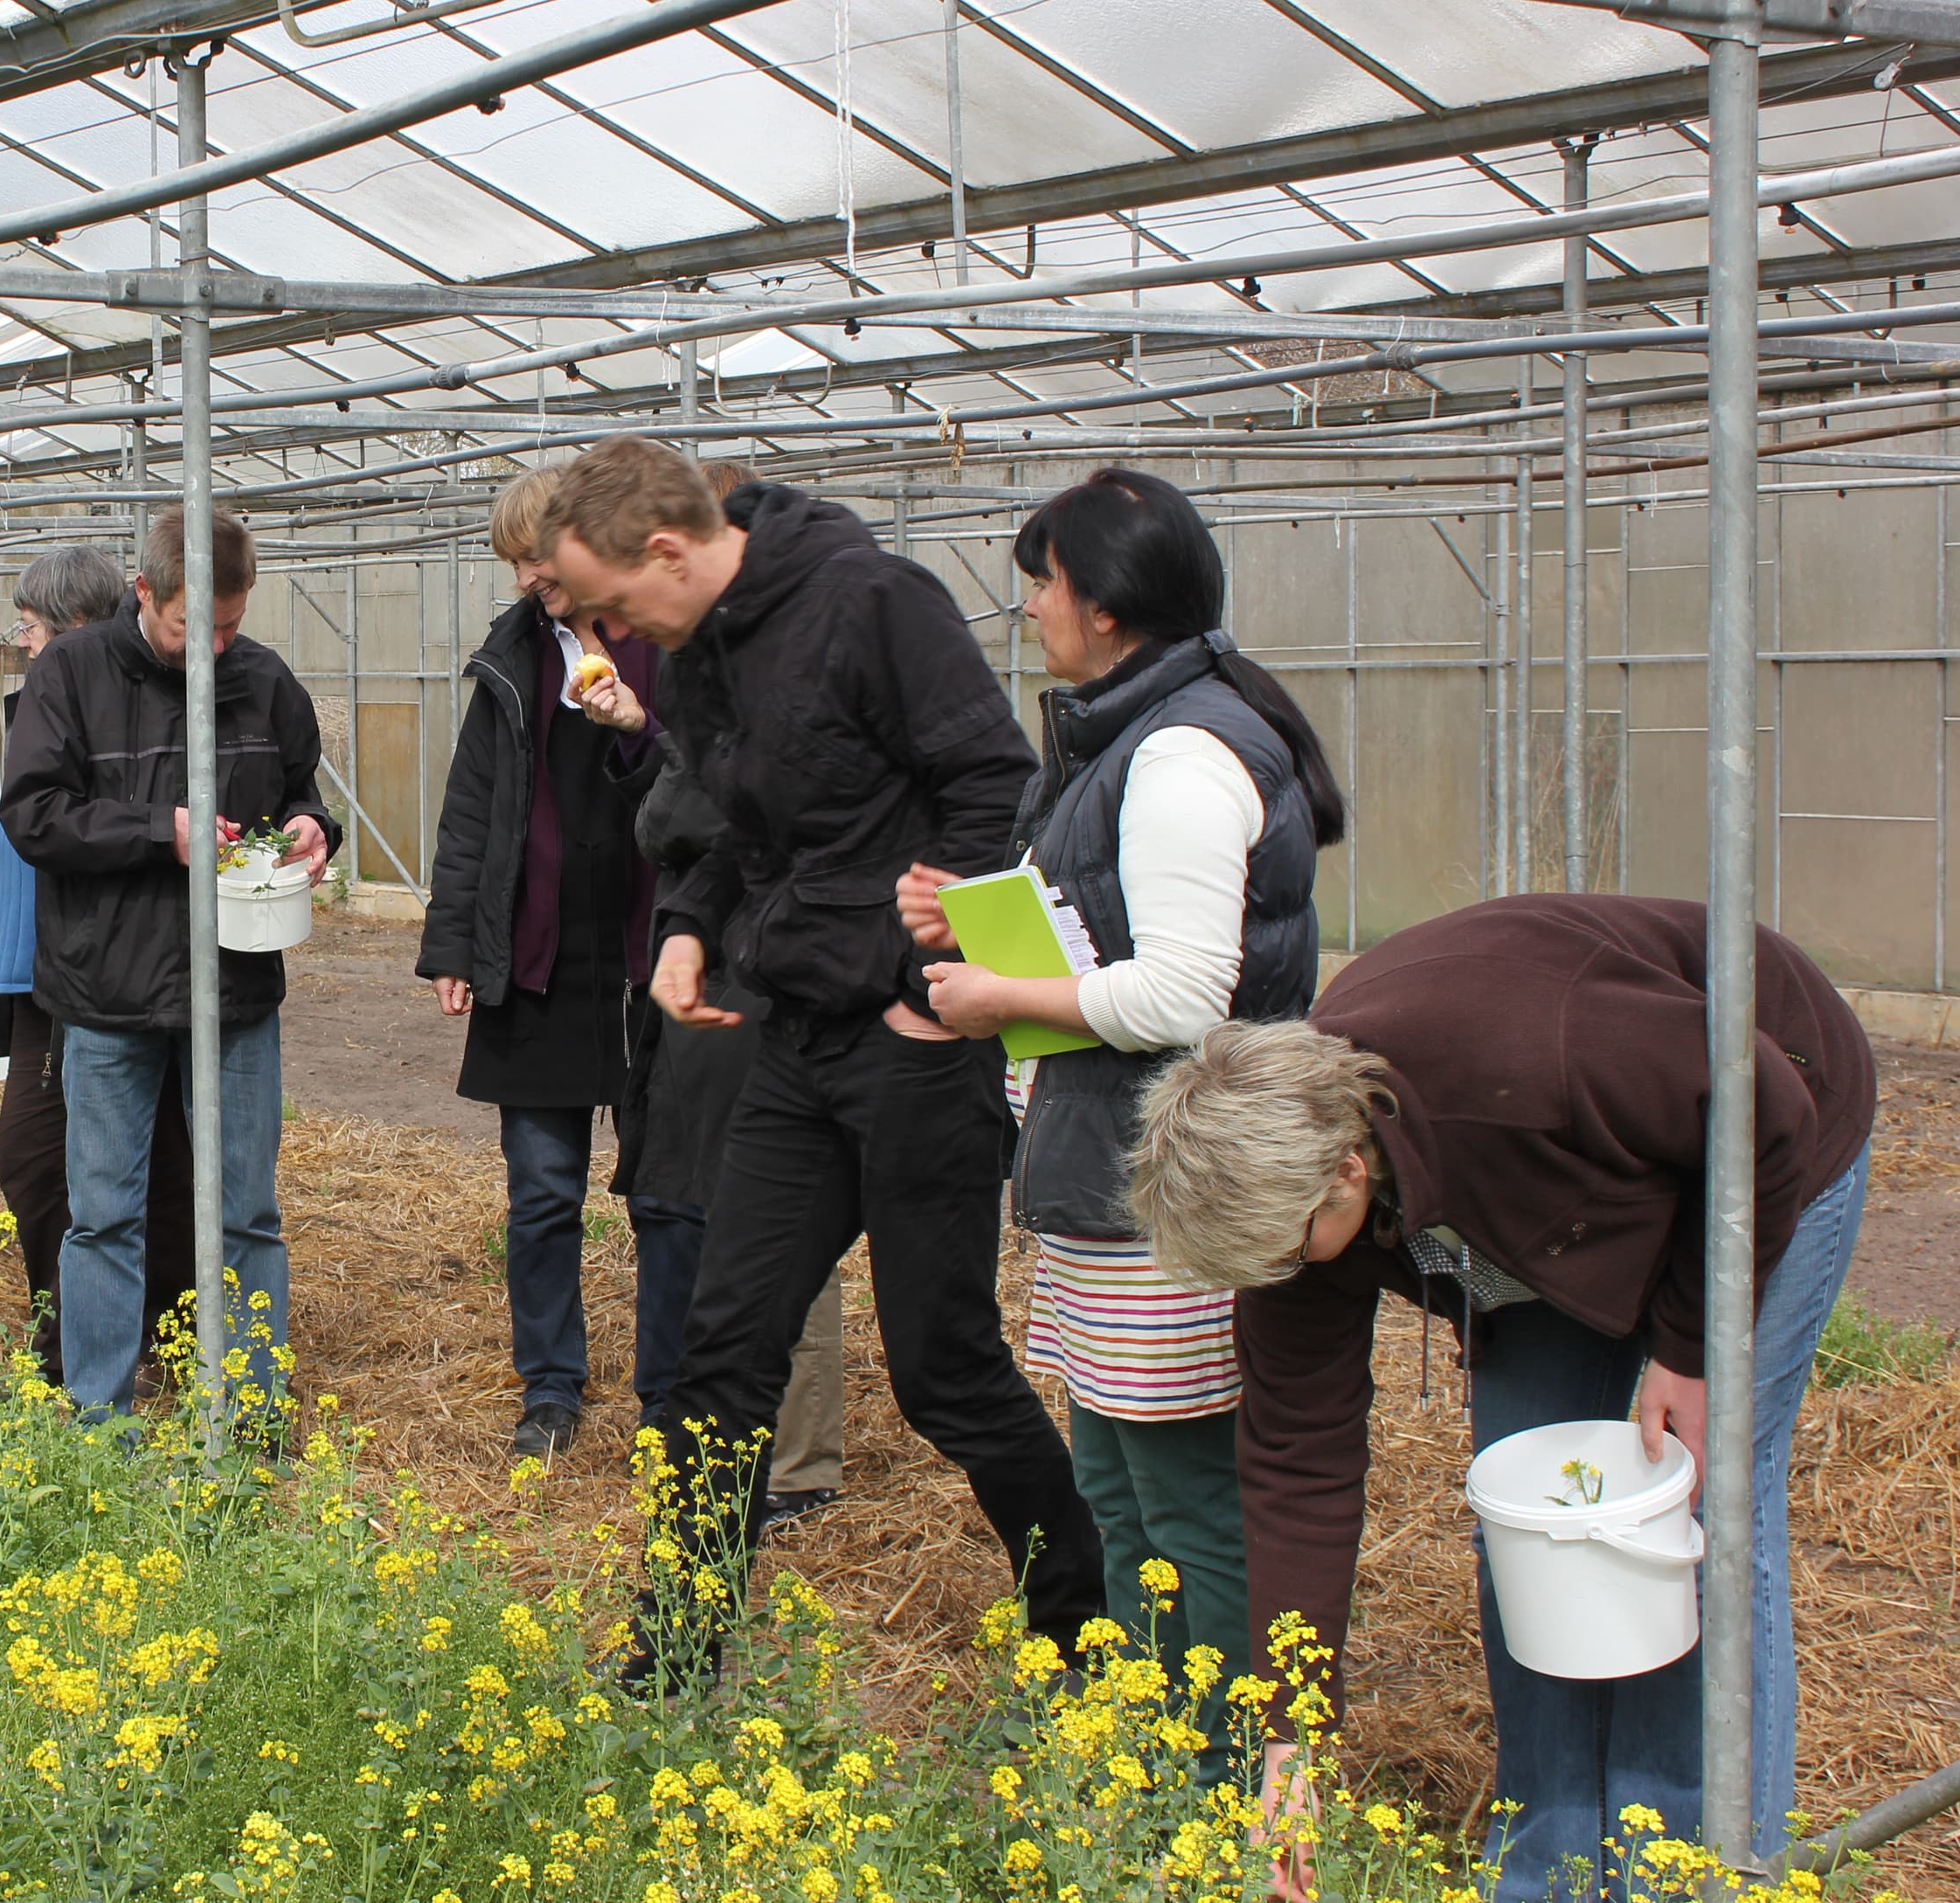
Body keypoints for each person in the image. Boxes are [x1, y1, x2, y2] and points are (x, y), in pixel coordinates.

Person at [1132, 900, 1875, 1897]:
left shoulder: (1536, 1056)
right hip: (1555, 1208)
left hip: (1763, 1131)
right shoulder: (1294, 1202)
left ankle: (1700, 1867)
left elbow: (1757, 1103)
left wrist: (1691, 1348)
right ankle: (1553, 1870)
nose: (1272, 1274)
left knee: (1694, 1516)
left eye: (1281, 1248)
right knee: (1533, 1531)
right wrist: (1290, 1742)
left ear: (1348, 1172)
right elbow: (1296, 1470)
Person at [544, 439, 1101, 1682]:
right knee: (721, 1353)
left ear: (669, 550)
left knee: (944, 1371)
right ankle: (674, 1662)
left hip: (910, 1052)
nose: (608, 628)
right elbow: (727, 828)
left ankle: (1089, 1637)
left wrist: (930, 987)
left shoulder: (873, 604)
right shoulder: (698, 658)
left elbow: (995, 782)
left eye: (614, 602)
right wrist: (689, 931)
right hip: (794, 1044)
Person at [904, 467, 1344, 1706]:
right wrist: (970, 918)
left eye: (1042, 584)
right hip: (1120, 1173)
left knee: (1187, 1500)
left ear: (1102, 602)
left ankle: (1219, 1764)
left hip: (1176, 1187)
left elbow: (1186, 996)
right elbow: (1106, 925)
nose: (1032, 607)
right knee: (1118, 1487)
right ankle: (1147, 1739)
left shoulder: (1183, 755)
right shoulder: (1133, 734)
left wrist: (1001, 1001)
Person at [0, 506, 339, 1423]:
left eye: (232, 624)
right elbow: (32, 814)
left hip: (234, 989)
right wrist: (162, 830)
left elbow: (302, 788)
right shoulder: (69, 674)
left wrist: (314, 828)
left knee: (246, 1211)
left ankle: (253, 1409)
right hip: (106, 989)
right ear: (142, 592)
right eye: (198, 626)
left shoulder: (263, 680)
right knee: (103, 1211)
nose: (218, 646)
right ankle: (99, 1417)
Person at [612, 460, 855, 1526]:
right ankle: (746, 1449)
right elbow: (681, 821)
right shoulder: (717, 681)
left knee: (780, 1222)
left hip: (779, 984)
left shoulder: (801, 669)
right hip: (724, 980)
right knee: (724, 1217)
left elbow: (708, 822)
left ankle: (796, 1469)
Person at [417, 467, 664, 1463]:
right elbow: (473, 804)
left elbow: (701, 772)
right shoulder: (515, 656)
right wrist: (452, 942)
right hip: (541, 951)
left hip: (652, 952)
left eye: (538, 561)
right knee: (543, 1188)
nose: (527, 581)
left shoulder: (661, 644)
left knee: (664, 1194)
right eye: (516, 564)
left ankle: (671, 1388)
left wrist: (634, 723)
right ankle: (551, 1386)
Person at [0, 545, 199, 1382]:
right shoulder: (50, 697)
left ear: (74, 627)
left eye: (31, 629)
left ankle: (135, 1336)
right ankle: (86, 1337)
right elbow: (27, 818)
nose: (24, 645)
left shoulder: (106, 702)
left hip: (92, 971)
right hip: (36, 972)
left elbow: (84, 823)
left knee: (78, 1164)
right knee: (55, 1166)